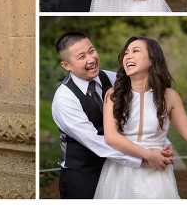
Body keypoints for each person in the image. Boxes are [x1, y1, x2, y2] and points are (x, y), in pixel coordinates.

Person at [94, 36, 187, 199]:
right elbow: (111, 138)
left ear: (152, 60)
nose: (128, 56)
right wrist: (148, 155)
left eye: (135, 51)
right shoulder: (113, 94)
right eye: (126, 53)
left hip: (157, 175)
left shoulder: (170, 96)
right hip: (120, 171)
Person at [51, 32, 174, 199]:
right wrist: (144, 159)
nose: (91, 59)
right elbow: (96, 143)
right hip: (83, 175)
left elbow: (142, 117)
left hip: (118, 172)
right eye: (81, 57)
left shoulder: (113, 78)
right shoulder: (64, 99)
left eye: (92, 51)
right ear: (66, 65)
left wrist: (162, 145)